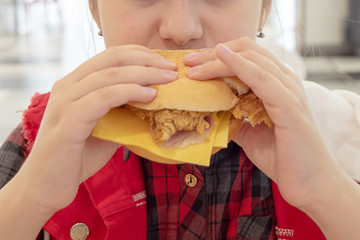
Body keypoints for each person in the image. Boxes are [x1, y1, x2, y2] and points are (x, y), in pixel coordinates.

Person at [0, 0, 360, 239]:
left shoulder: (337, 134)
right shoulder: (49, 134)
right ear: (96, 11)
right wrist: (31, 197)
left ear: (263, 10)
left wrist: (326, 193)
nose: (181, 29)